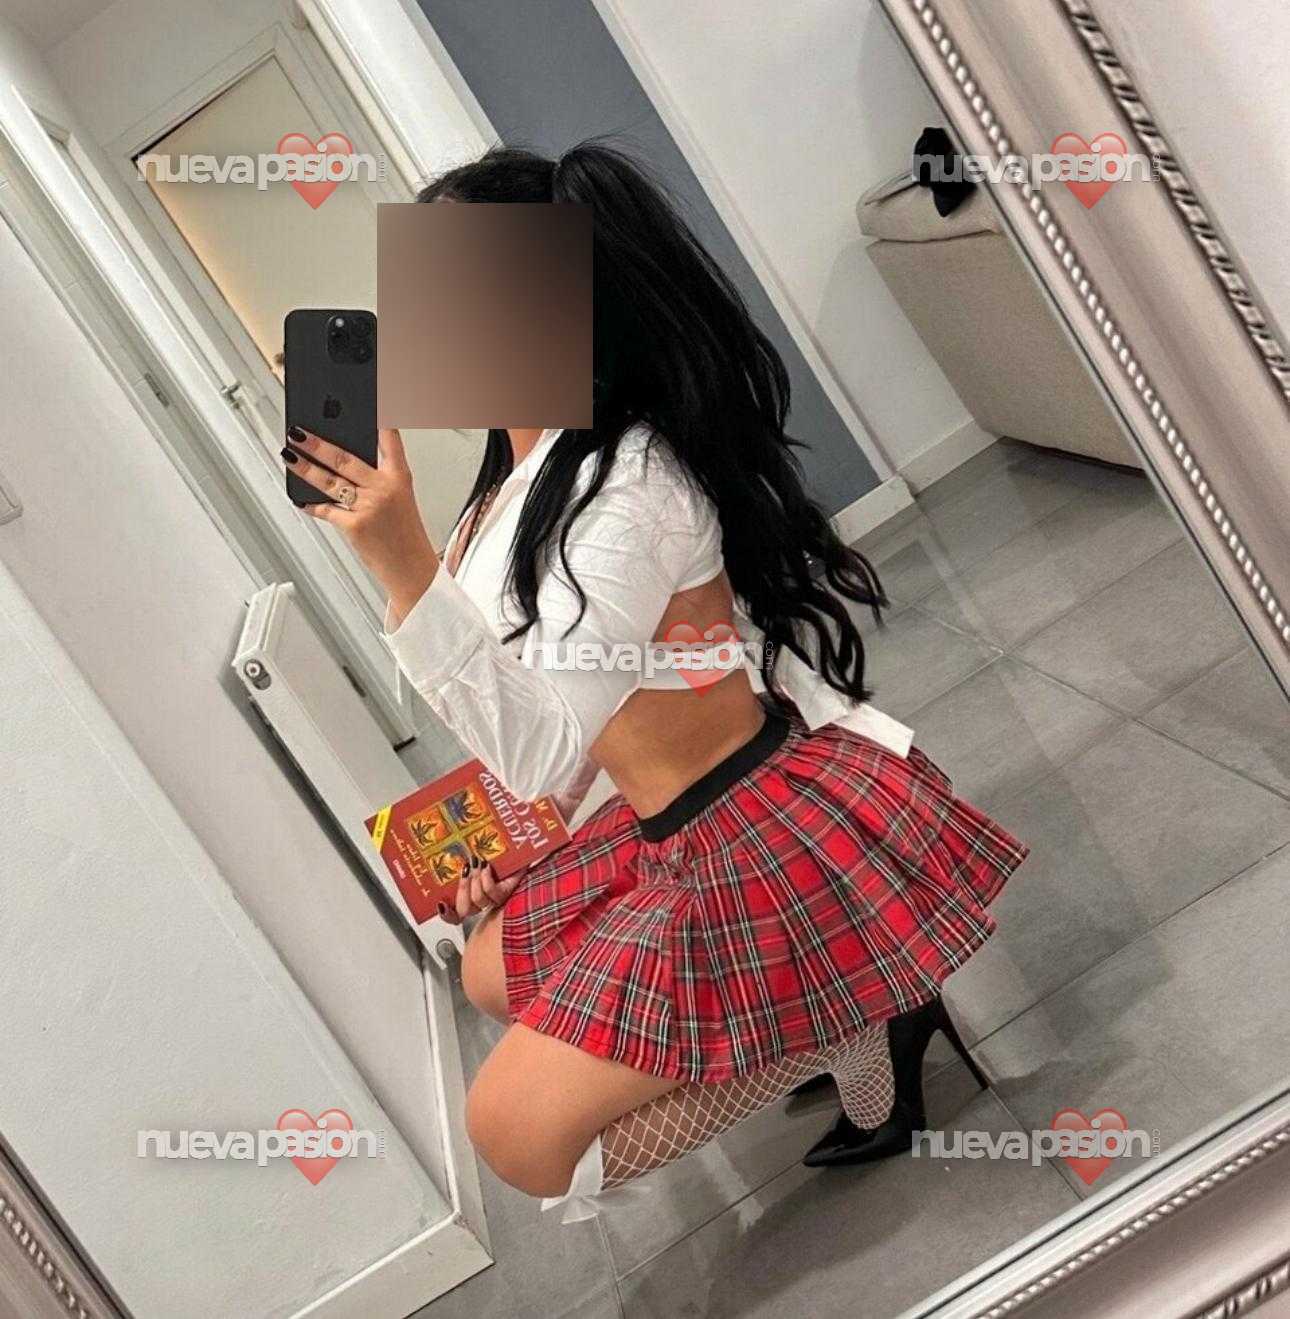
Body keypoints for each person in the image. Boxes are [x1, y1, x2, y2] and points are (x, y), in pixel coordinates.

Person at [279, 139, 1027, 1215]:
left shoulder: (621, 482)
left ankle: (859, 1005)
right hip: (653, 813)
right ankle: (846, 1006)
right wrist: (511, 838)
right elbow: (551, 720)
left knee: (516, 1139)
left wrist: (398, 562)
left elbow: (548, 742)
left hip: (742, 824)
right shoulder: (510, 479)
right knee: (490, 964)